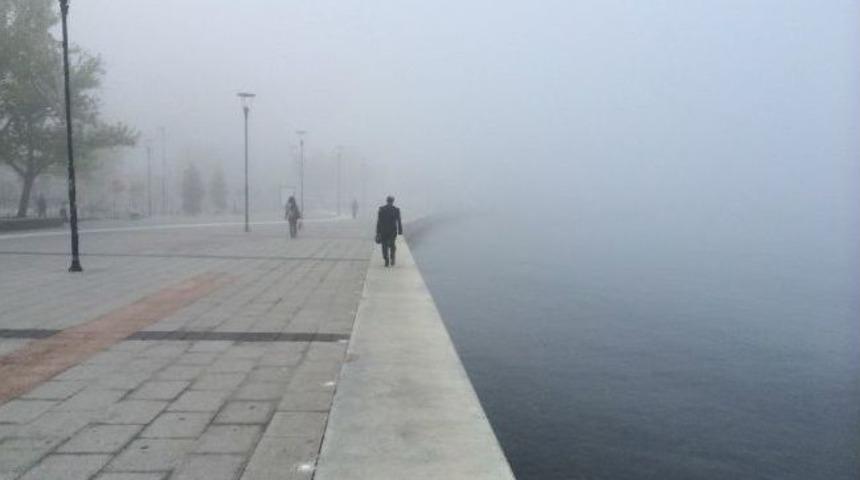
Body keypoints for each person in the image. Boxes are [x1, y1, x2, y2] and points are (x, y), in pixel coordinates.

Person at [376, 195, 403, 267]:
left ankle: (387, 259)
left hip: (384, 231)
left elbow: (379, 222)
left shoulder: (381, 209)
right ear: (393, 201)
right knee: (392, 245)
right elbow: (399, 221)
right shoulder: (396, 210)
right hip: (392, 231)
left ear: (387, 201)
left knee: (384, 246)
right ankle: (392, 258)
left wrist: (378, 232)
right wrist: (400, 230)